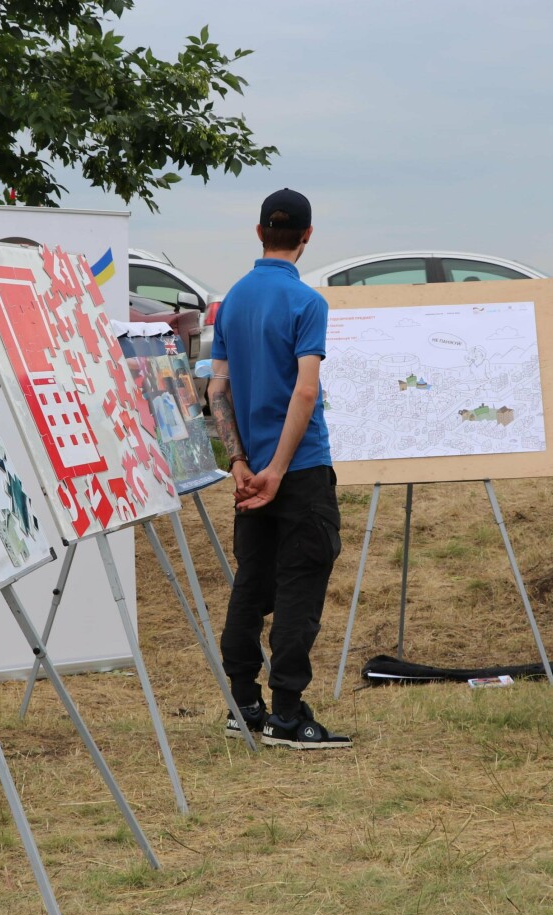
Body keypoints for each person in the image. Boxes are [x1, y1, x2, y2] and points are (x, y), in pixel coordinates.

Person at [206, 188, 350, 750]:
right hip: (301, 469)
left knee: (251, 582)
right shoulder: (307, 303)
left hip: (250, 472)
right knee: (299, 587)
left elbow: (218, 389)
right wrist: (280, 471)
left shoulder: (232, 300)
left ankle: (244, 703)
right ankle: (288, 714)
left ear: (259, 231)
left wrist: (240, 462)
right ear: (307, 236)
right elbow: (305, 393)